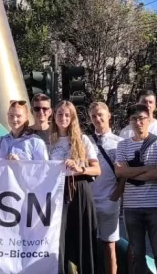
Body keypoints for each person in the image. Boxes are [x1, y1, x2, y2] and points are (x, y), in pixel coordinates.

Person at [115, 104, 157, 274]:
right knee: (137, 254)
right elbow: (119, 171)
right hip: (131, 207)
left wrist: (129, 173)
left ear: (149, 120)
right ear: (129, 122)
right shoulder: (122, 145)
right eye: (134, 119)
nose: (138, 122)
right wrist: (148, 168)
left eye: (141, 118)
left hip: (156, 206)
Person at [48, 100, 101, 274]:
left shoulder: (82, 139)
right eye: (59, 114)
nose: (63, 118)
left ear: (72, 118)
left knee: (83, 239)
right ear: (54, 116)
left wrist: (81, 168)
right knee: (59, 240)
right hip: (57, 192)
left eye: (67, 115)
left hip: (79, 189)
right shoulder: (49, 142)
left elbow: (97, 169)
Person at [87, 102, 123, 274]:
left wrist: (116, 195)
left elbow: (124, 173)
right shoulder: (85, 141)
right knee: (88, 244)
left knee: (109, 245)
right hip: (89, 199)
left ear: (109, 115)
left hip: (109, 200)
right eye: (93, 116)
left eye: (100, 114)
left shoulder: (119, 142)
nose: (97, 119)